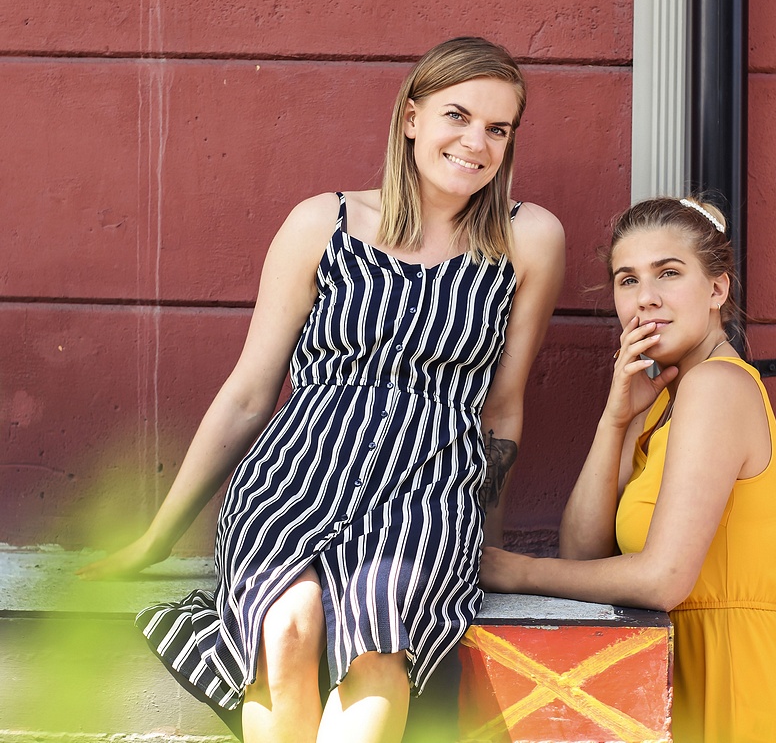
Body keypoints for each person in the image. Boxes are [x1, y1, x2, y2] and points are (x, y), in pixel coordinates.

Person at [78, 36, 565, 743]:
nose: (475, 143)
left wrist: (478, 540)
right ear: (411, 118)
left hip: (427, 485)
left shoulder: (528, 238)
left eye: (498, 128)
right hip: (295, 473)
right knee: (287, 625)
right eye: (457, 116)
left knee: (376, 643)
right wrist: (157, 537)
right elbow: (249, 394)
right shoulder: (322, 223)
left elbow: (503, 404)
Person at [479, 196, 776, 742]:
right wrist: (616, 419)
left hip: (738, 694)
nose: (645, 297)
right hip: (672, 684)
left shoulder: (717, 386)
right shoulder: (666, 404)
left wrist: (514, 571)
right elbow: (582, 557)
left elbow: (662, 579)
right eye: (627, 280)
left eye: (668, 273)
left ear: (717, 289)